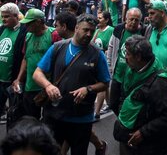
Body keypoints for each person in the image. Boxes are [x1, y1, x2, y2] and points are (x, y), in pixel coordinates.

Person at [33, 14, 111, 155]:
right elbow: (37, 73)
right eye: (85, 30)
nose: (89, 34)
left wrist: (88, 89)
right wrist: (48, 86)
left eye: (92, 31)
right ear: (76, 28)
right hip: (55, 115)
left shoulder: (97, 54)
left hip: (81, 118)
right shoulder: (58, 47)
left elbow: (105, 82)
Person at [113, 35, 167, 155]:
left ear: (138, 56)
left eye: (128, 54)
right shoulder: (133, 68)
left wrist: (143, 132)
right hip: (130, 143)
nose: (125, 57)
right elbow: (125, 92)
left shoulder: (161, 83)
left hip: (150, 147)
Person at [12, 9, 56, 119]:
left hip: (48, 85)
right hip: (30, 85)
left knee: (49, 119)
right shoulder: (28, 36)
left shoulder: (53, 34)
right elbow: (25, 59)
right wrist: (19, 79)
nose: (26, 26)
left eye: (29, 23)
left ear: (39, 22)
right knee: (31, 119)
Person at [108, 8, 150, 115]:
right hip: (117, 75)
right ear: (126, 19)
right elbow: (111, 47)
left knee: (129, 104)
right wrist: (110, 66)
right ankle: (122, 120)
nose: (133, 22)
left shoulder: (144, 32)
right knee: (112, 103)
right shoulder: (118, 29)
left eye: (136, 20)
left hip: (133, 77)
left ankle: (125, 125)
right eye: (131, 19)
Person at [0, 3, 28, 123]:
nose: (3, 19)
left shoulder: (24, 31)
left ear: (16, 16)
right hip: (0, 80)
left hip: (13, 81)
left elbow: (25, 57)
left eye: (6, 16)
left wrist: (19, 79)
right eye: (2, 16)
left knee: (14, 114)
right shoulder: (1, 29)